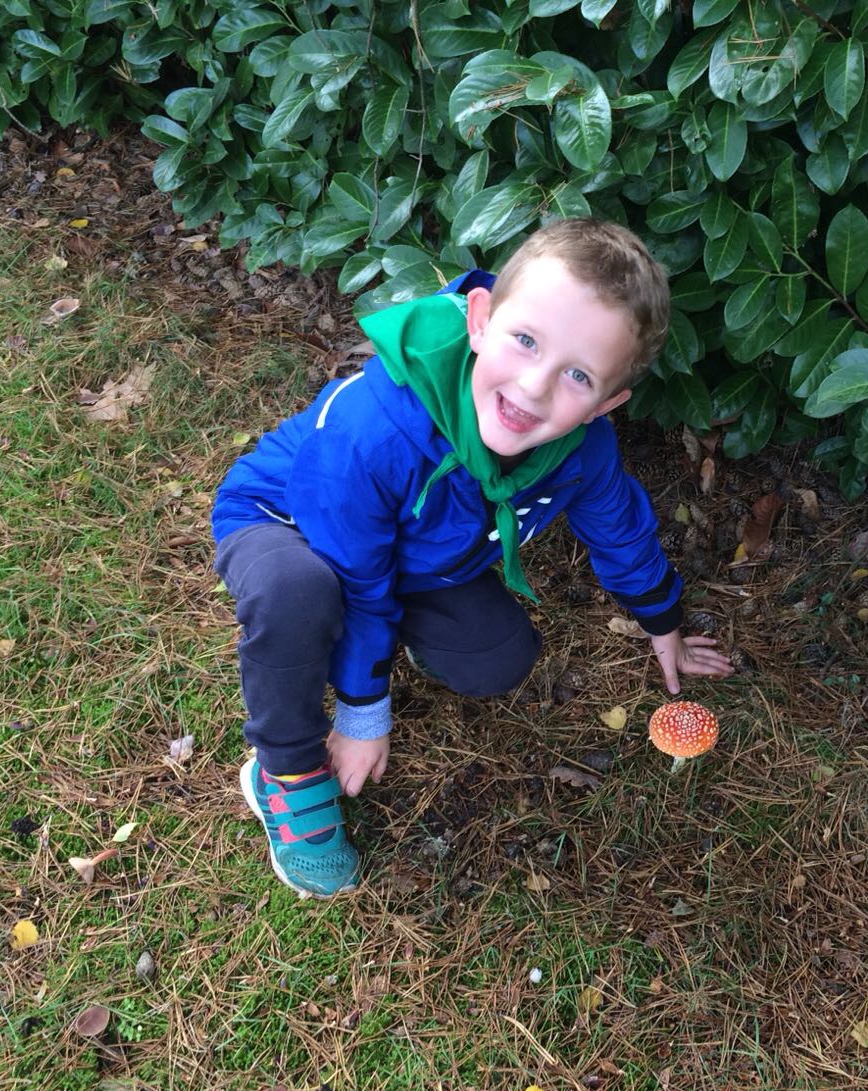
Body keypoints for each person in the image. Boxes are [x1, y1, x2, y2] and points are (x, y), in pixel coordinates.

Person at [212, 219, 732, 900]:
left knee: (497, 656)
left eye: (577, 374)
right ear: (482, 319)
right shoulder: (377, 427)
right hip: (291, 528)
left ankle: (375, 641)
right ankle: (285, 774)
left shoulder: (583, 447)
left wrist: (663, 621)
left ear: (607, 403)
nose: (536, 386)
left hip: (415, 560)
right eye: (525, 341)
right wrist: (362, 712)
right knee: (301, 594)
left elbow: (620, 532)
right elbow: (356, 572)